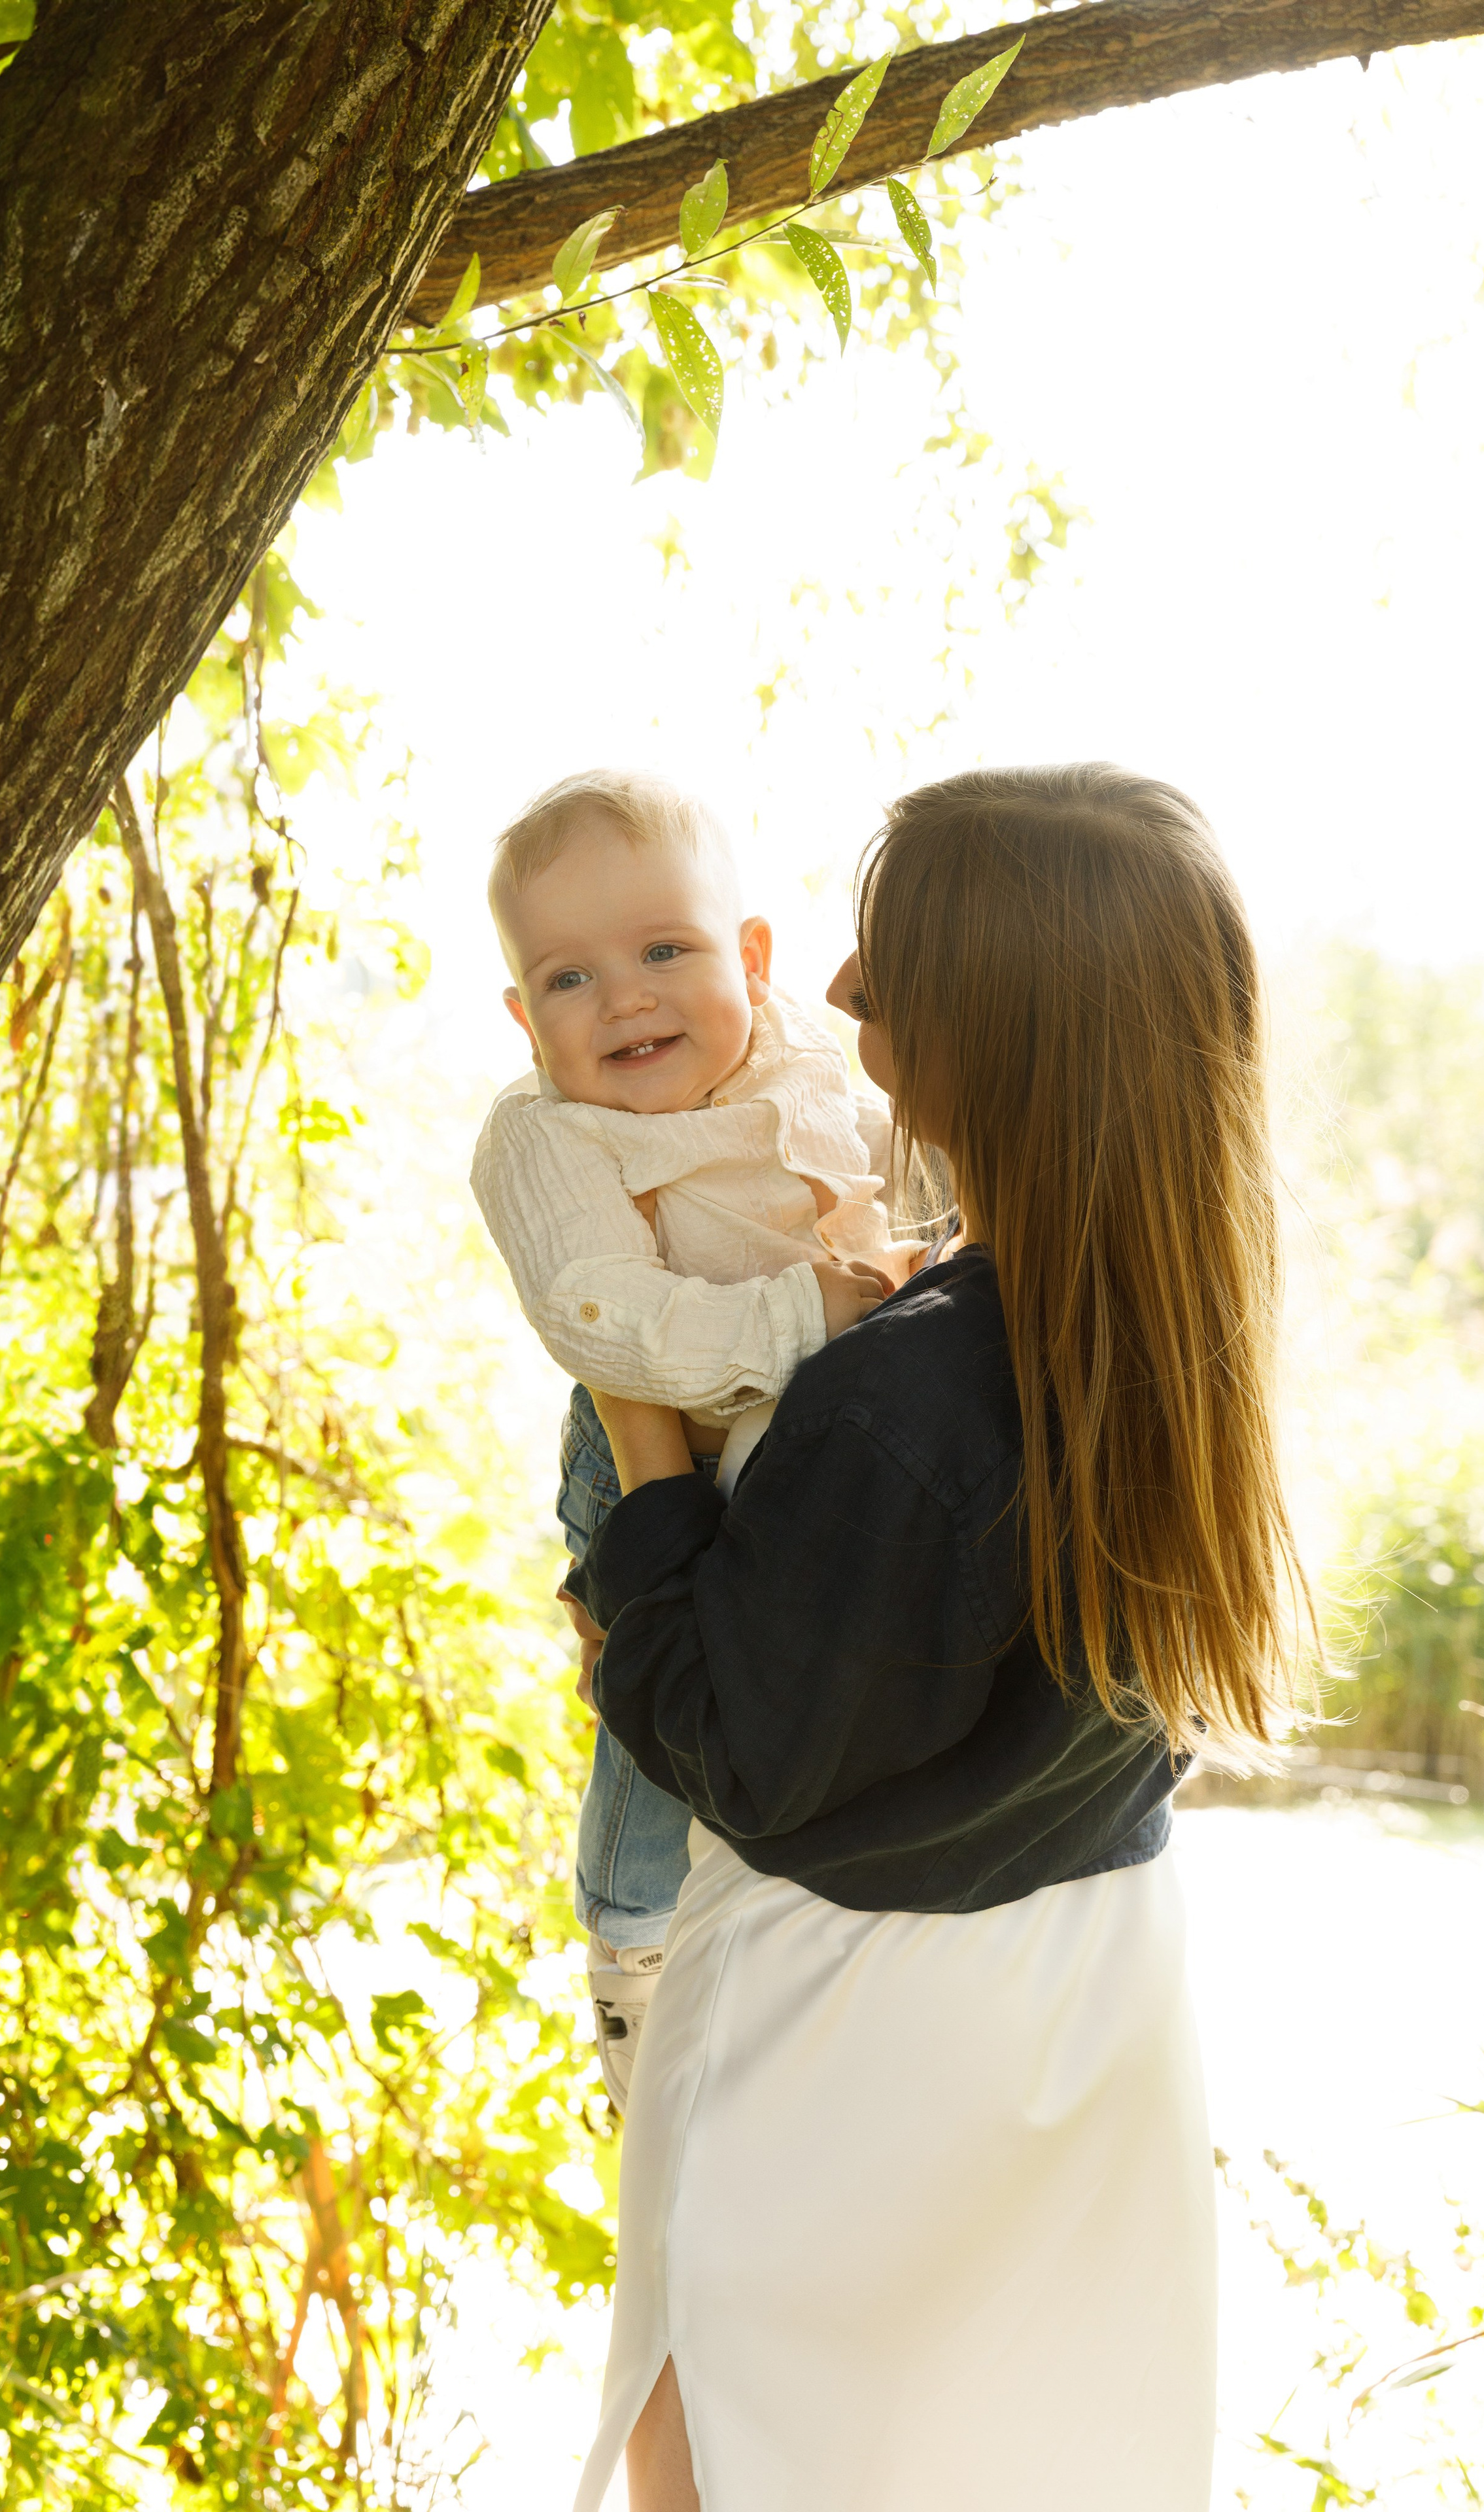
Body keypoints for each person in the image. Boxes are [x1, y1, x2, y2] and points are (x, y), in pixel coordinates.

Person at [561, 763, 1312, 2512]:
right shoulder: (1179, 1333)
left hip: (847, 2033)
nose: (837, 991)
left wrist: (638, 1426)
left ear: (1002, 1023)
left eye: (889, 960)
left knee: (728, 2460)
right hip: (1087, 2004)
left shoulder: (903, 1403)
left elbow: (727, 1740)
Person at [470, 769, 908, 2103]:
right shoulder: (549, 1136)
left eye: (665, 951)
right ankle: (631, 1939)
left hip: (798, 1439)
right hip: (658, 1448)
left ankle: (795, 1946)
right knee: (654, 1707)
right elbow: (602, 1318)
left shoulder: (805, 1062)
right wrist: (806, 1311)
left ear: (753, 959)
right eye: (569, 977)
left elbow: (897, 1170)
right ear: (523, 1017)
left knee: (787, 1695)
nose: (625, 999)